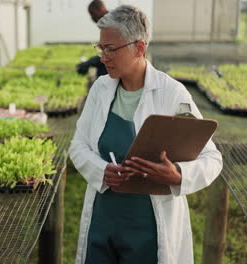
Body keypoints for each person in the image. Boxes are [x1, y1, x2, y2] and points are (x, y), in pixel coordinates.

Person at [69, 5, 222, 264]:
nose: (103, 57)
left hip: (148, 228)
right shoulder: (100, 90)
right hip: (103, 219)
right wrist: (100, 169)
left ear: (139, 48)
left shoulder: (172, 94)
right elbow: (78, 145)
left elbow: (212, 157)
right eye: (100, 48)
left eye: (110, 49)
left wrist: (178, 175)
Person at [76, 0, 108, 78]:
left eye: (92, 14)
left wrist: (89, 62)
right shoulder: (105, 21)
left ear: (99, 9)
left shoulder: (109, 23)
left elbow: (109, 52)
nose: (92, 18)